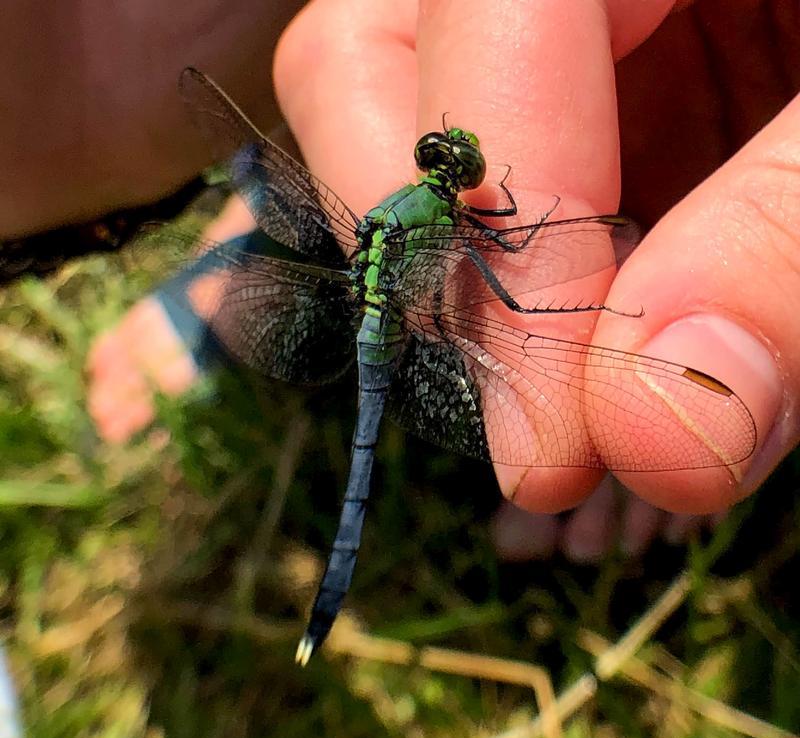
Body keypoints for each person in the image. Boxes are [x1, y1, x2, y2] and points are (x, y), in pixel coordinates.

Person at [12, 1, 800, 559]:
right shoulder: (463, 216)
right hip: (399, 285)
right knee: (519, 302)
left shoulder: (411, 210)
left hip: (379, 274)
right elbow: (517, 279)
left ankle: (276, 212)